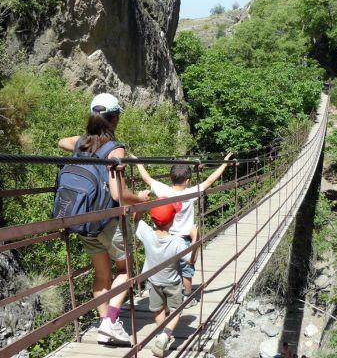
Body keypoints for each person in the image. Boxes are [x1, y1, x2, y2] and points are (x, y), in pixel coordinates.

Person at [58, 93, 150, 345]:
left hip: (84, 219)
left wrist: (82, 144)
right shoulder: (114, 148)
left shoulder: (81, 144)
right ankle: (110, 321)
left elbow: (60, 142)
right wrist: (141, 199)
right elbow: (118, 194)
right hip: (108, 222)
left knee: (101, 275)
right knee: (126, 269)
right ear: (113, 118)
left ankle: (104, 326)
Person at [135, 152, 233, 305]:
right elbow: (210, 180)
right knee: (187, 268)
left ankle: (163, 294)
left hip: (165, 236)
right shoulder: (190, 193)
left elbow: (146, 178)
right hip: (184, 238)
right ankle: (188, 295)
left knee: (165, 266)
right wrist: (224, 163)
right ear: (187, 181)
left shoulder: (163, 190)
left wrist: (138, 161)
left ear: (171, 177)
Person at [134, 199, 186, 357]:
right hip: (173, 282)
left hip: (153, 280)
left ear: (152, 219)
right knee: (176, 310)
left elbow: (136, 219)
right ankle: (165, 335)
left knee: (157, 309)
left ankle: (161, 334)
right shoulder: (178, 242)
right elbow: (191, 259)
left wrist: (141, 202)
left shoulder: (147, 234)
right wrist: (196, 238)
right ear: (172, 221)